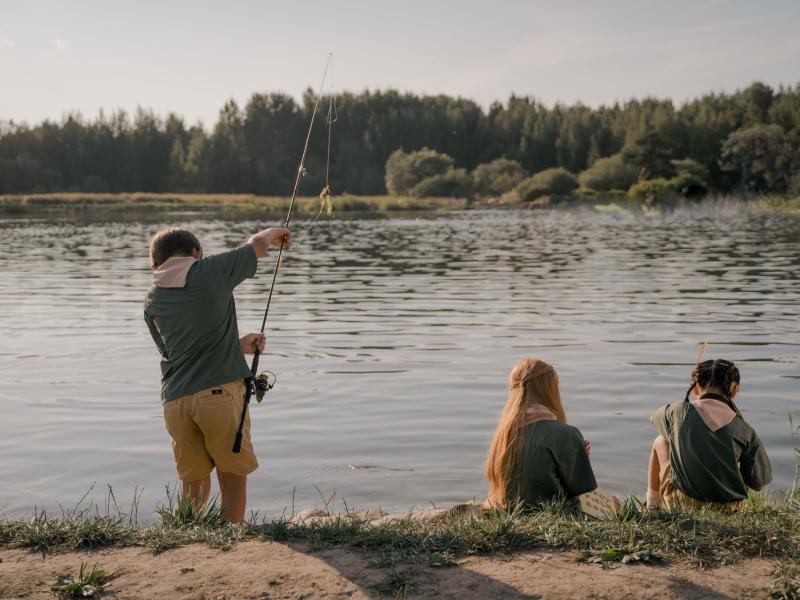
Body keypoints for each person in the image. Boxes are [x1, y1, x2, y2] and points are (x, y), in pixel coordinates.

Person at [144, 225, 290, 522]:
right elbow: (257, 245)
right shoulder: (208, 270)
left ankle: (186, 540)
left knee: (193, 482)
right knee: (232, 475)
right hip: (219, 397)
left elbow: (179, 354)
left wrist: (235, 346)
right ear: (196, 252)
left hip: (175, 403)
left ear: (155, 264)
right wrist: (275, 232)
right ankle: (230, 542)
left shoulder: (152, 300)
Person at [646, 358, 772, 511]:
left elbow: (654, 419)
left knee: (661, 441)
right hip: (731, 508)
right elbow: (759, 484)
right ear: (734, 389)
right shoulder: (744, 429)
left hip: (685, 504)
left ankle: (652, 507)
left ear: (694, 389)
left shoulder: (678, 412)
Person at [485, 358, 597, 509]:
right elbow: (582, 492)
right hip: (557, 514)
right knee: (614, 503)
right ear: (549, 390)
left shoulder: (503, 435)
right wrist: (578, 458)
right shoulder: (566, 434)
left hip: (512, 512)